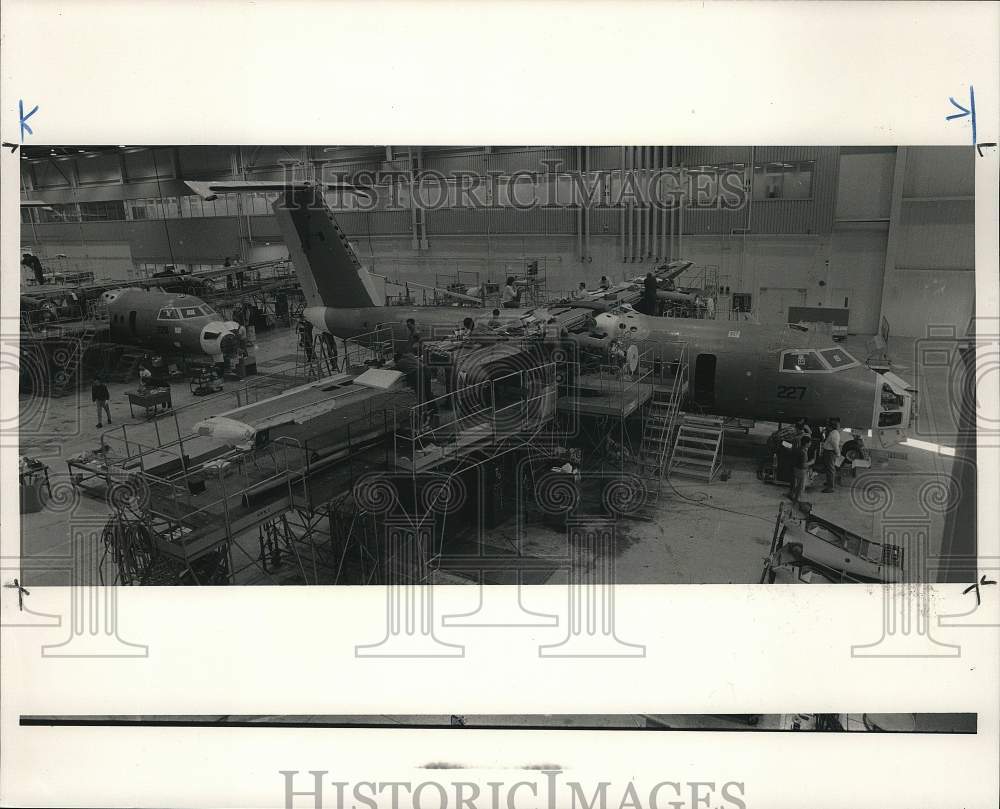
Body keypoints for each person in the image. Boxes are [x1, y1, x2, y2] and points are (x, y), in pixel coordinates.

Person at [788, 435, 813, 504]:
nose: (810, 444)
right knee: (800, 487)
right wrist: (811, 462)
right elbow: (803, 465)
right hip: (801, 471)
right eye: (810, 443)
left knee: (795, 484)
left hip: (795, 469)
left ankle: (791, 495)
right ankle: (797, 500)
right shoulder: (803, 452)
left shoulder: (798, 449)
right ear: (806, 443)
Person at [821, 417, 843, 492]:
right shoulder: (833, 432)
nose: (827, 427)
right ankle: (829, 482)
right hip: (829, 452)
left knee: (830, 469)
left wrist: (838, 454)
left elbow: (835, 446)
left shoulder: (834, 434)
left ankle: (830, 487)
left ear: (831, 427)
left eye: (828, 426)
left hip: (830, 453)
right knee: (829, 469)